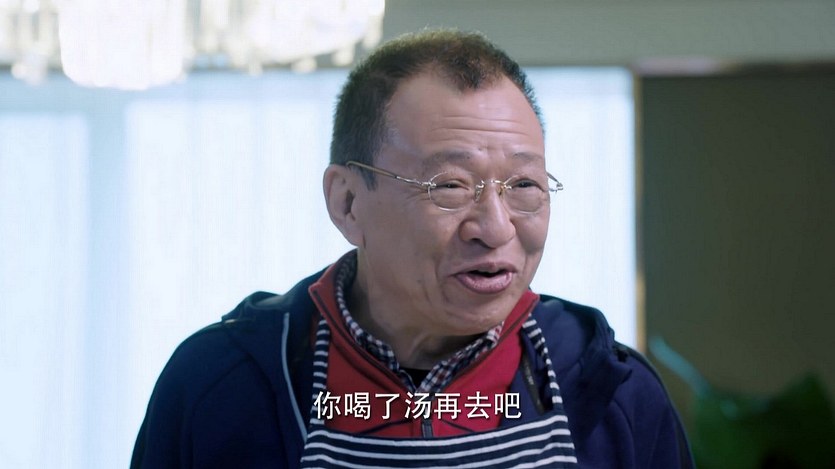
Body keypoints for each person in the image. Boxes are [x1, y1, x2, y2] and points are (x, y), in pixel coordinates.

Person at [131, 29, 693, 468]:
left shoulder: (613, 392)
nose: (495, 227)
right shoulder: (221, 384)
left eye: (524, 185)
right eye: (449, 186)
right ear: (348, 202)